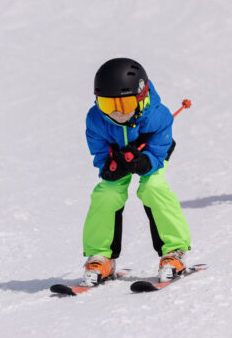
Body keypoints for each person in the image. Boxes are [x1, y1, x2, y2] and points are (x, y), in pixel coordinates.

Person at [80, 57, 192, 286]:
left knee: (153, 188)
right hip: (118, 158)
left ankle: (174, 251)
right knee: (106, 193)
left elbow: (160, 150)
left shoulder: (158, 116)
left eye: (124, 106)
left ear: (141, 97)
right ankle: (102, 257)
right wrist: (110, 167)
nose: (117, 114)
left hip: (151, 156)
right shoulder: (96, 120)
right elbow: (100, 156)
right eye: (107, 105)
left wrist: (145, 162)